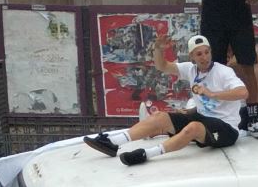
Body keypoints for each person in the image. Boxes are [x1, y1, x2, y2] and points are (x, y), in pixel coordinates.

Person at [84, 34, 247, 165]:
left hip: (226, 127)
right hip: (203, 118)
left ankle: (146, 154)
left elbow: (243, 92)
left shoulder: (223, 72)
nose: (204, 57)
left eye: (207, 52)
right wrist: (158, 49)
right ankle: (112, 142)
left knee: (194, 127)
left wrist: (213, 94)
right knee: (159, 117)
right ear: (192, 57)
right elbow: (163, 66)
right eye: (199, 54)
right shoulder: (191, 69)